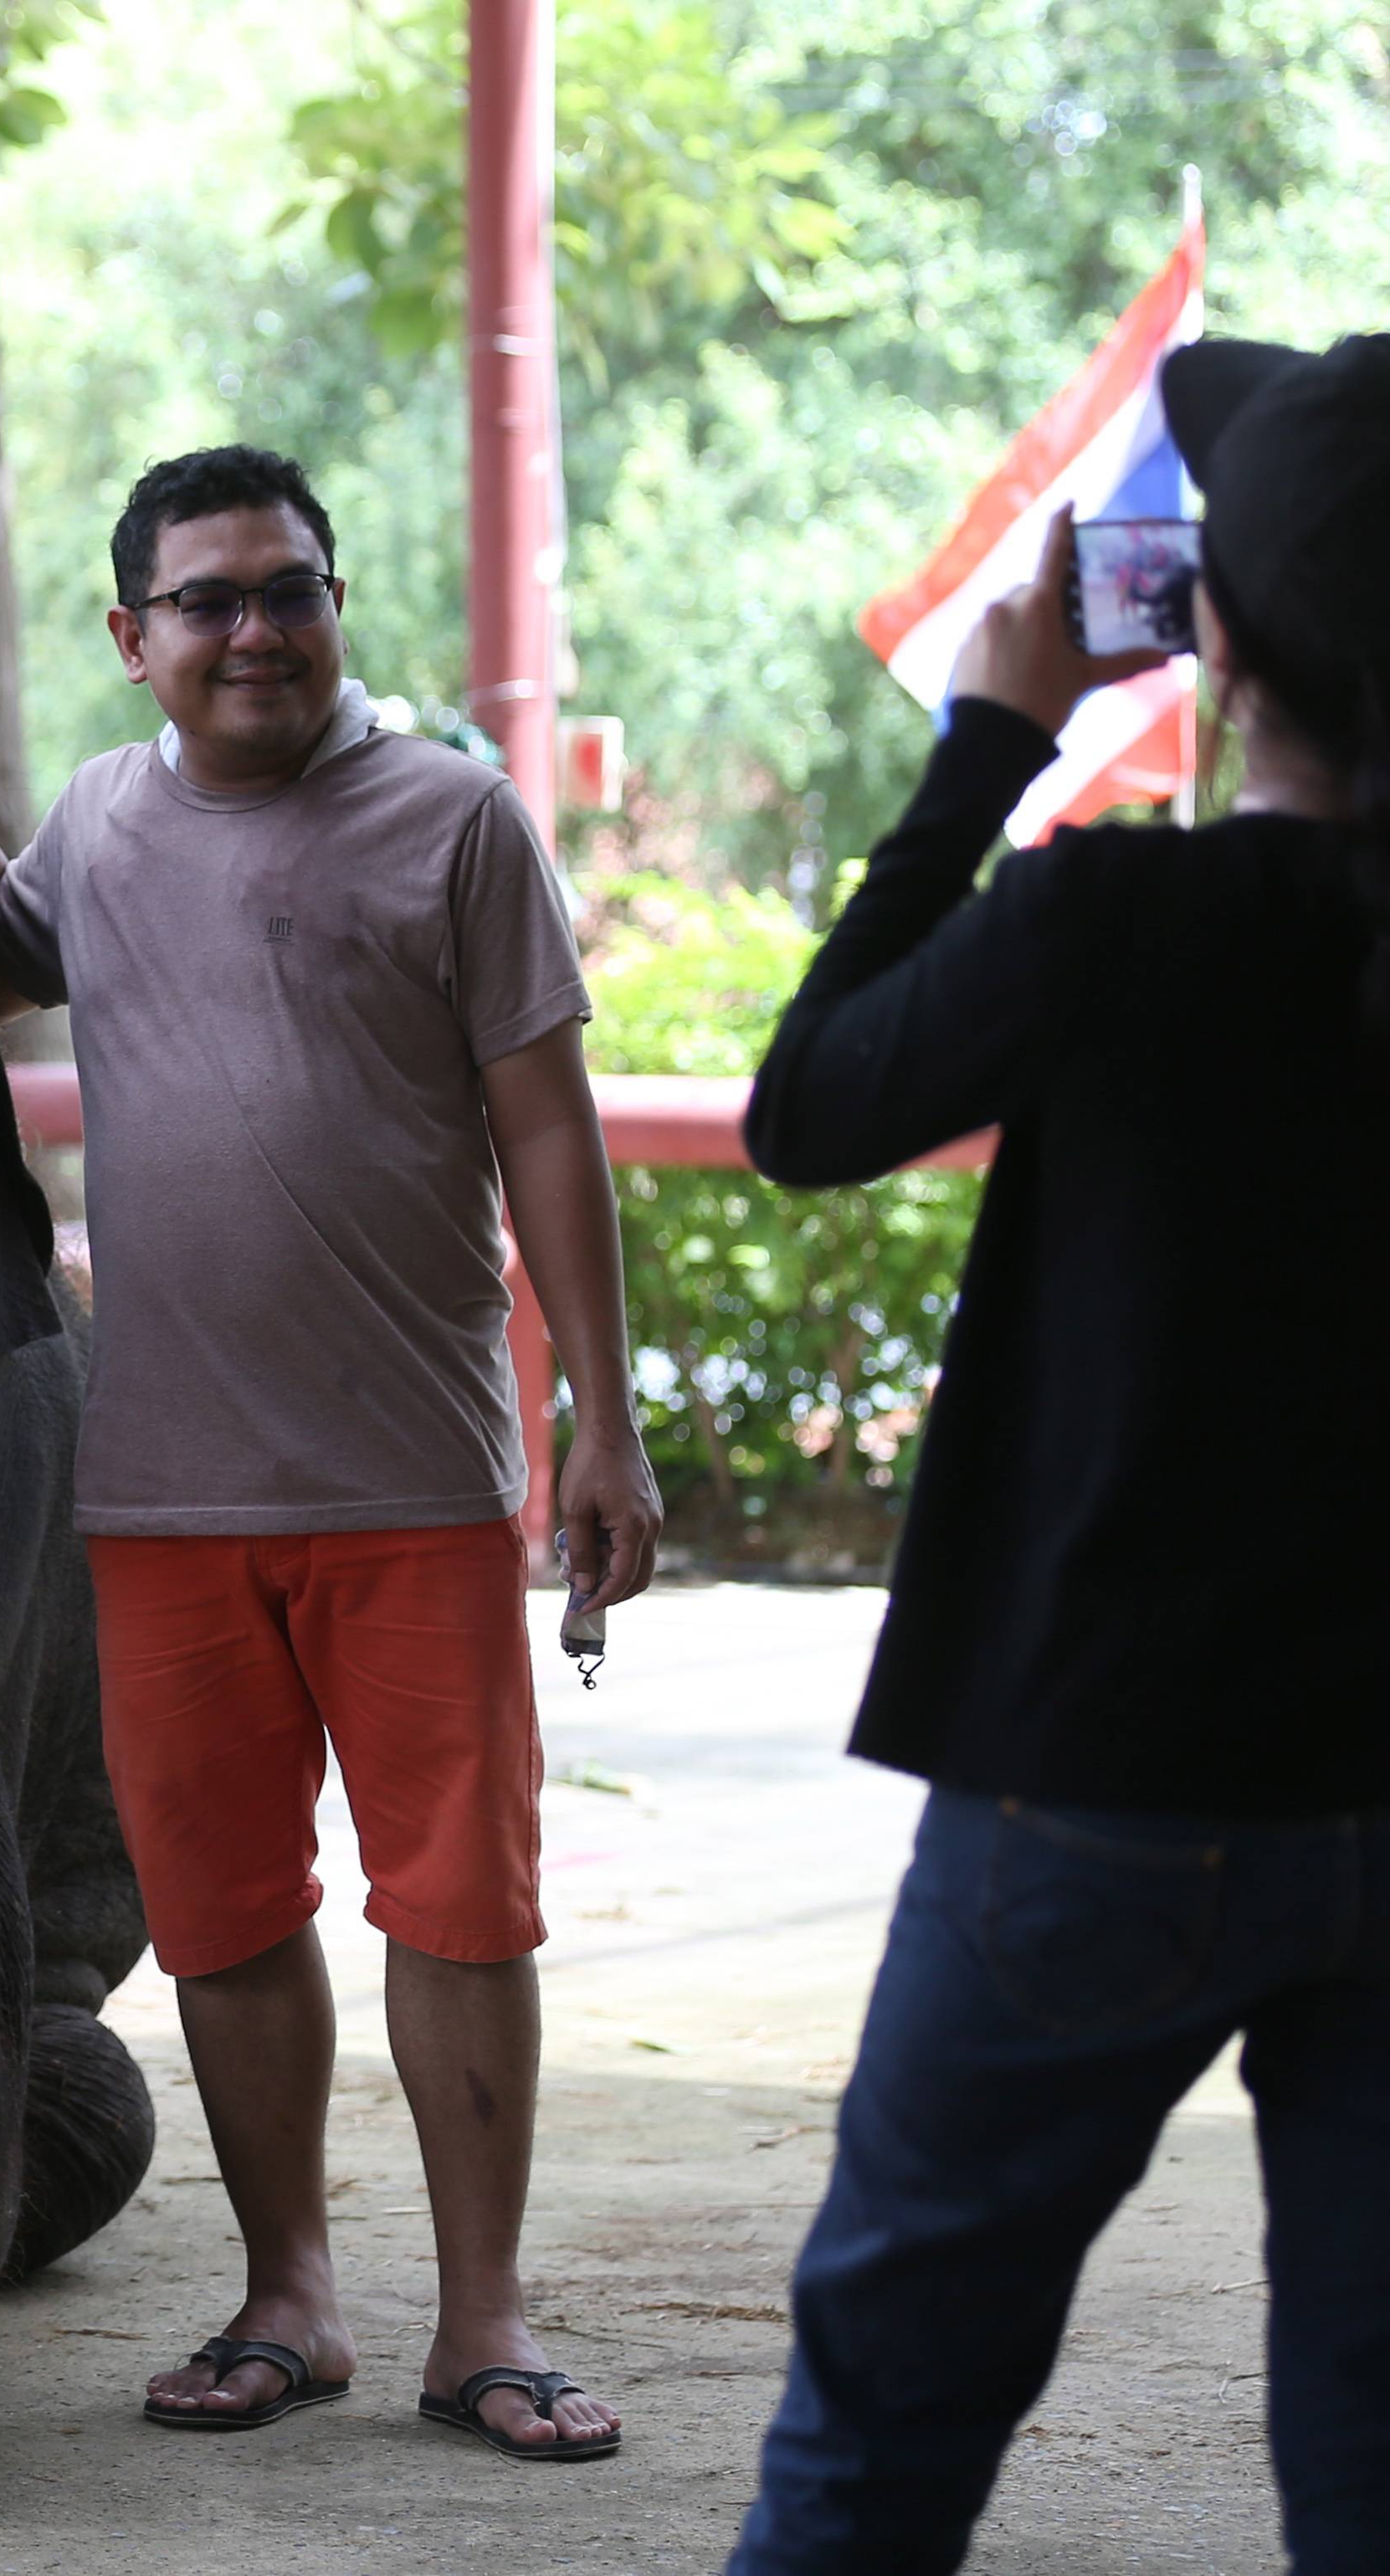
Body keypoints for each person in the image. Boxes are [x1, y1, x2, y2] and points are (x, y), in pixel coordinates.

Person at [0, 441, 661, 2459]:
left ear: (336, 607)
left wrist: (597, 1414)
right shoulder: (92, 826)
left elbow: (549, 1131)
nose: (254, 629)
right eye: (208, 601)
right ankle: (287, 2300)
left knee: (459, 1910)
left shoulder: (453, 821)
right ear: (132, 639)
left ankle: (484, 2322)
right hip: (159, 1492)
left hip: (417, 1484)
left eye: (288, 589)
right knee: (228, 1918)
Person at [727, 337, 1390, 2573]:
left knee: (883, 2419)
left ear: (1212, 630)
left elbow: (804, 1106)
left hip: (1096, 1777)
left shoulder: (1121, 921)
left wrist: (989, 742)